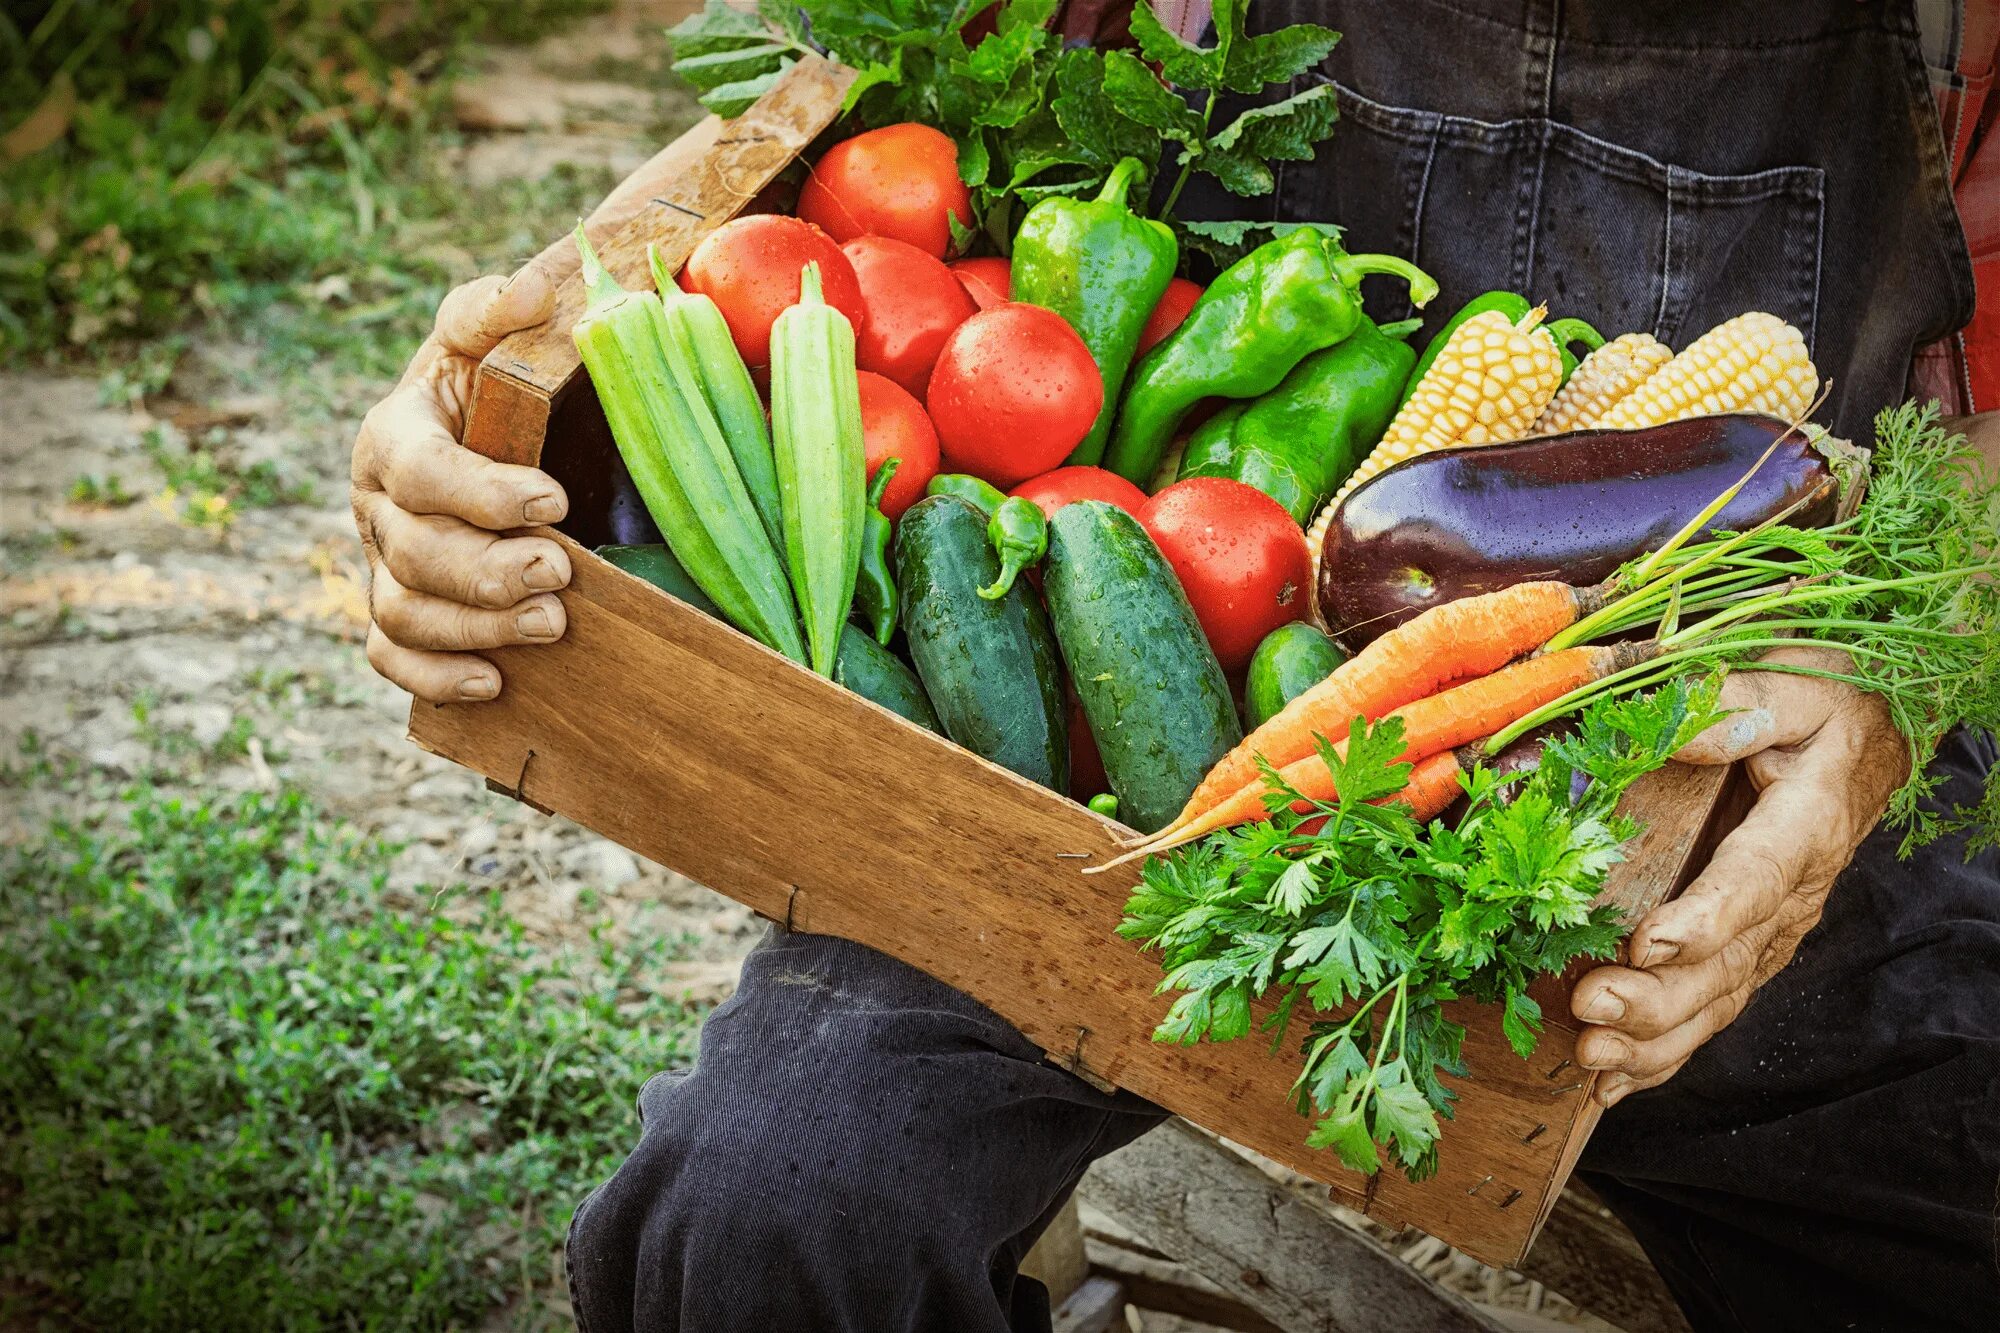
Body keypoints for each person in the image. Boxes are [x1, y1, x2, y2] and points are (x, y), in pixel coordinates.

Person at [351, 3, 1999, 1329]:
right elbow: (834, 113)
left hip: (1782, 761)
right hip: (1164, 770)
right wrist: (503, 371)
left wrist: (1886, 692)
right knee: (760, 1215)